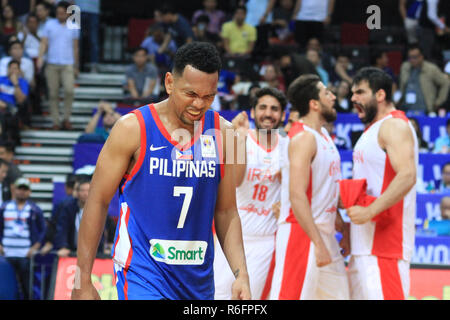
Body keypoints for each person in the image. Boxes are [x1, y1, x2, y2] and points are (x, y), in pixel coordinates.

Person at [71, 42, 251, 300]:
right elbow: (97, 201)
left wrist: (241, 273)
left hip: (197, 279)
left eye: (208, 96)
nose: (199, 104)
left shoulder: (225, 134)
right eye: (190, 94)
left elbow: (226, 210)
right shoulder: (132, 129)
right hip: (142, 273)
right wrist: (82, 280)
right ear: (169, 83)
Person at [270, 74, 350, 300]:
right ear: (314, 104)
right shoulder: (303, 138)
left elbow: (326, 189)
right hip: (301, 233)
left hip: (323, 232)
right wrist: (317, 242)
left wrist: (341, 226)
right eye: (327, 93)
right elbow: (297, 196)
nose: (333, 96)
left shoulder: (323, 134)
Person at [347, 67, 418, 300]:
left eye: (360, 92)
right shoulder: (373, 129)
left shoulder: (394, 125)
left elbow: (407, 175)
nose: (352, 98)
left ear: (380, 95)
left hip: (384, 246)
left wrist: (370, 211)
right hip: (364, 246)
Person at [214, 87, 288, 300]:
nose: (268, 113)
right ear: (253, 112)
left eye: (274, 109)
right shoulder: (242, 138)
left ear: (282, 115)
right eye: (263, 107)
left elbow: (294, 190)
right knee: (216, 294)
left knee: (249, 299)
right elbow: (235, 181)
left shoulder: (288, 146)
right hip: (232, 236)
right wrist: (240, 140)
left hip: (265, 240)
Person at [0, 177, 46, 299]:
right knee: (7, 287)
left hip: (25, 254)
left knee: (26, 287)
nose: (22, 192)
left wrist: (35, 247)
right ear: (14, 190)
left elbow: (43, 230)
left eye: (25, 189)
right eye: (20, 189)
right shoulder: (4, 208)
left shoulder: (34, 209)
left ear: (29, 192)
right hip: (6, 255)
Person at [37, 1, 80, 130]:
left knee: (69, 91)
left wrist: (76, 65)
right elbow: (44, 43)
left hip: (68, 64)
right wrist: (40, 57)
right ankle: (56, 121)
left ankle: (66, 118)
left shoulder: (74, 24)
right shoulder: (49, 24)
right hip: (52, 64)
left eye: (62, 13)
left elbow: (76, 47)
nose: (59, 15)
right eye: (58, 13)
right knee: (53, 94)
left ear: (67, 13)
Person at [54, 176, 103, 257]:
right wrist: (63, 246)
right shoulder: (68, 208)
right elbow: (62, 229)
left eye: (88, 190)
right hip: (71, 250)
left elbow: (103, 231)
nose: (85, 193)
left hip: (93, 252)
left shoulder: (98, 209)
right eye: (82, 190)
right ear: (77, 192)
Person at [399, 44, 449, 115]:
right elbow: (402, 87)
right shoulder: (405, 67)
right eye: (410, 57)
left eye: (414, 57)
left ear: (421, 56)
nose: (412, 60)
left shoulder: (431, 69)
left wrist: (438, 102)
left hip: (425, 111)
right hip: (406, 110)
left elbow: (445, 83)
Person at [0, 60, 29, 144]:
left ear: (19, 71)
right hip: (1, 105)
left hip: (12, 108)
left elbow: (21, 100)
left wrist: (15, 84)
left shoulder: (22, 83)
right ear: (7, 69)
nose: (13, 71)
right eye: (11, 68)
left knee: (4, 117)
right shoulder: (1, 79)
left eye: (15, 68)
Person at [74, 0, 100, 72]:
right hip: (75, 9)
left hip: (93, 10)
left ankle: (94, 65)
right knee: (76, 39)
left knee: (93, 40)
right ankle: (75, 64)